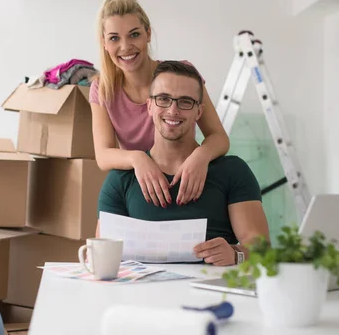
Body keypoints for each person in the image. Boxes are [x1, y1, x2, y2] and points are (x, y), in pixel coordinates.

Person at [95, 61, 269, 266]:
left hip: (210, 293)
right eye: (163, 99)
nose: (173, 110)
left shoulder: (232, 171)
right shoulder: (121, 179)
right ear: (149, 106)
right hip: (142, 296)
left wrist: (236, 254)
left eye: (185, 102)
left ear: (199, 111)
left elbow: (261, 249)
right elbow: (101, 257)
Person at [89, 0, 230, 208]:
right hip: (143, 186)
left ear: (148, 33)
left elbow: (219, 137)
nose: (125, 47)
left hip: (188, 179)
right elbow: (103, 156)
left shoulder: (182, 74)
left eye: (134, 34)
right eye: (114, 38)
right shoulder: (102, 89)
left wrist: (200, 156)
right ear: (104, 43)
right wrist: (138, 159)